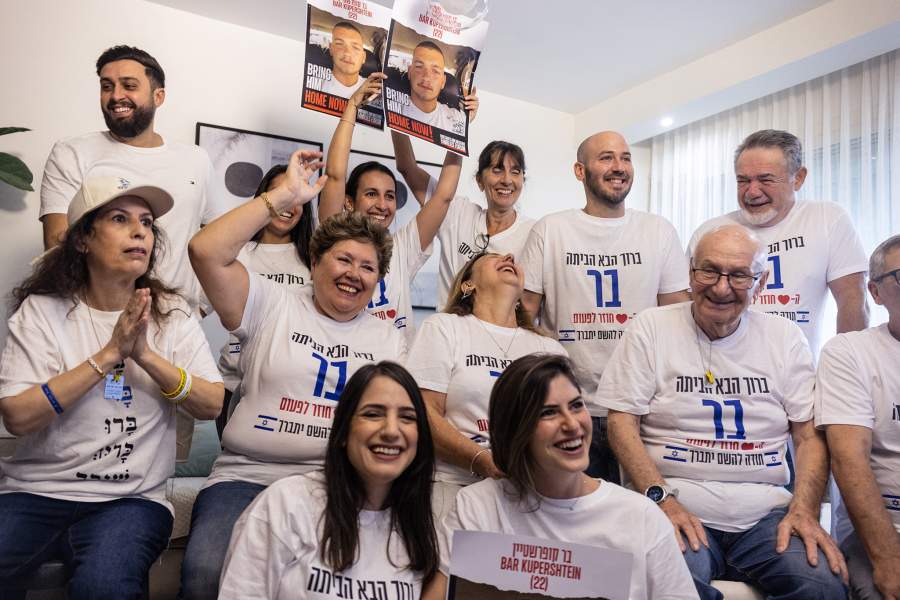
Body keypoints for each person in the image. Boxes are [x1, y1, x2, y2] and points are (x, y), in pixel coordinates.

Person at [179, 151, 407, 599]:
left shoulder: (389, 339)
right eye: (344, 260)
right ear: (317, 260)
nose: (354, 274)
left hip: (338, 484)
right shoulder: (271, 302)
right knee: (207, 574)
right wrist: (283, 194)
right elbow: (204, 251)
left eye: (368, 267)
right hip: (248, 477)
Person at [0, 176, 223, 599]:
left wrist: (145, 356)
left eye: (146, 222)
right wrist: (107, 356)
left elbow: (211, 403)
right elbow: (17, 415)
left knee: (105, 586)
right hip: (35, 492)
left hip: (131, 500)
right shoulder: (42, 312)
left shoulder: (172, 314)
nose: (140, 231)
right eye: (120, 219)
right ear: (82, 240)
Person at [601, 224, 847, 599]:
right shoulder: (650, 328)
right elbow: (621, 422)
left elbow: (807, 433)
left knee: (822, 585)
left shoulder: (785, 337)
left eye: (739, 275)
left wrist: (805, 509)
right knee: (671, 584)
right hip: (674, 503)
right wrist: (660, 498)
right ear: (690, 274)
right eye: (710, 270)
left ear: (760, 283)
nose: (720, 287)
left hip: (766, 515)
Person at [422, 353, 697, 600]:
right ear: (516, 430)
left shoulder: (641, 517)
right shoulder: (478, 505)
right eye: (549, 413)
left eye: (577, 406)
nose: (572, 424)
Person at [520, 130, 690, 482]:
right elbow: (523, 314)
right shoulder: (551, 229)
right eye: (607, 157)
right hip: (570, 407)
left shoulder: (658, 230)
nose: (619, 167)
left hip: (642, 408)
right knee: (573, 521)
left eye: (626, 158)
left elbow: (679, 318)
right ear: (580, 171)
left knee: (640, 518)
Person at [219, 361, 439, 599]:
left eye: (407, 417)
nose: (391, 431)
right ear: (344, 431)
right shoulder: (285, 504)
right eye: (373, 414)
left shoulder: (418, 526)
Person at [39, 45, 220, 312]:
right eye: (107, 86)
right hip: (96, 316)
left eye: (129, 85)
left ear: (158, 96)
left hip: (174, 320)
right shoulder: (72, 152)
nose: (116, 96)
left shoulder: (196, 159)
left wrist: (202, 305)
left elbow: (216, 240)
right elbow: (57, 243)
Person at [405, 252, 566, 519]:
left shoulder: (550, 349)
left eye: (514, 260)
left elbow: (563, 424)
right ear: (468, 284)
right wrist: (482, 460)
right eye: (493, 257)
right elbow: (423, 411)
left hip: (530, 495)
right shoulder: (445, 328)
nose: (510, 257)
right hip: (452, 486)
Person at [687, 129, 869, 355]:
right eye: (743, 181)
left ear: (799, 178)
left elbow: (853, 301)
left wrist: (844, 372)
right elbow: (689, 308)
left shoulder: (827, 218)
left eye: (765, 179)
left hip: (795, 374)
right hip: (718, 371)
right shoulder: (710, 231)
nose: (752, 192)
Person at [319, 75, 471, 338]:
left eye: (390, 196)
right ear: (349, 201)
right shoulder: (332, 240)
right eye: (371, 194)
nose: (382, 204)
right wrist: (352, 106)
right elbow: (334, 175)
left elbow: (443, 196)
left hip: (395, 372)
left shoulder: (401, 248)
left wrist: (459, 128)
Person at [815, 234, 900, 600]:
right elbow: (850, 463)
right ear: (876, 293)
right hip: (883, 533)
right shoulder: (851, 353)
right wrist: (890, 561)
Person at [392, 132, 532, 311]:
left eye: (515, 172)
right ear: (480, 181)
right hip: (448, 333)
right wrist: (396, 110)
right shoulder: (456, 212)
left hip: (496, 337)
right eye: (497, 170)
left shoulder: (534, 233)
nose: (506, 180)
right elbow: (407, 167)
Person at [216, 164, 314, 407]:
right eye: (281, 194)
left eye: (295, 197)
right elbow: (195, 309)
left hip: (296, 388)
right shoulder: (237, 253)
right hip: (235, 385)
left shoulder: (316, 259)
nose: (288, 205)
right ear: (264, 199)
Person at [400, 41, 466, 134]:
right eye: (419, 67)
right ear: (410, 72)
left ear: (443, 81)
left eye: (435, 71)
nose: (426, 77)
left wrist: (471, 112)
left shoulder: (456, 118)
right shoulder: (389, 104)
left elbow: (466, 122)